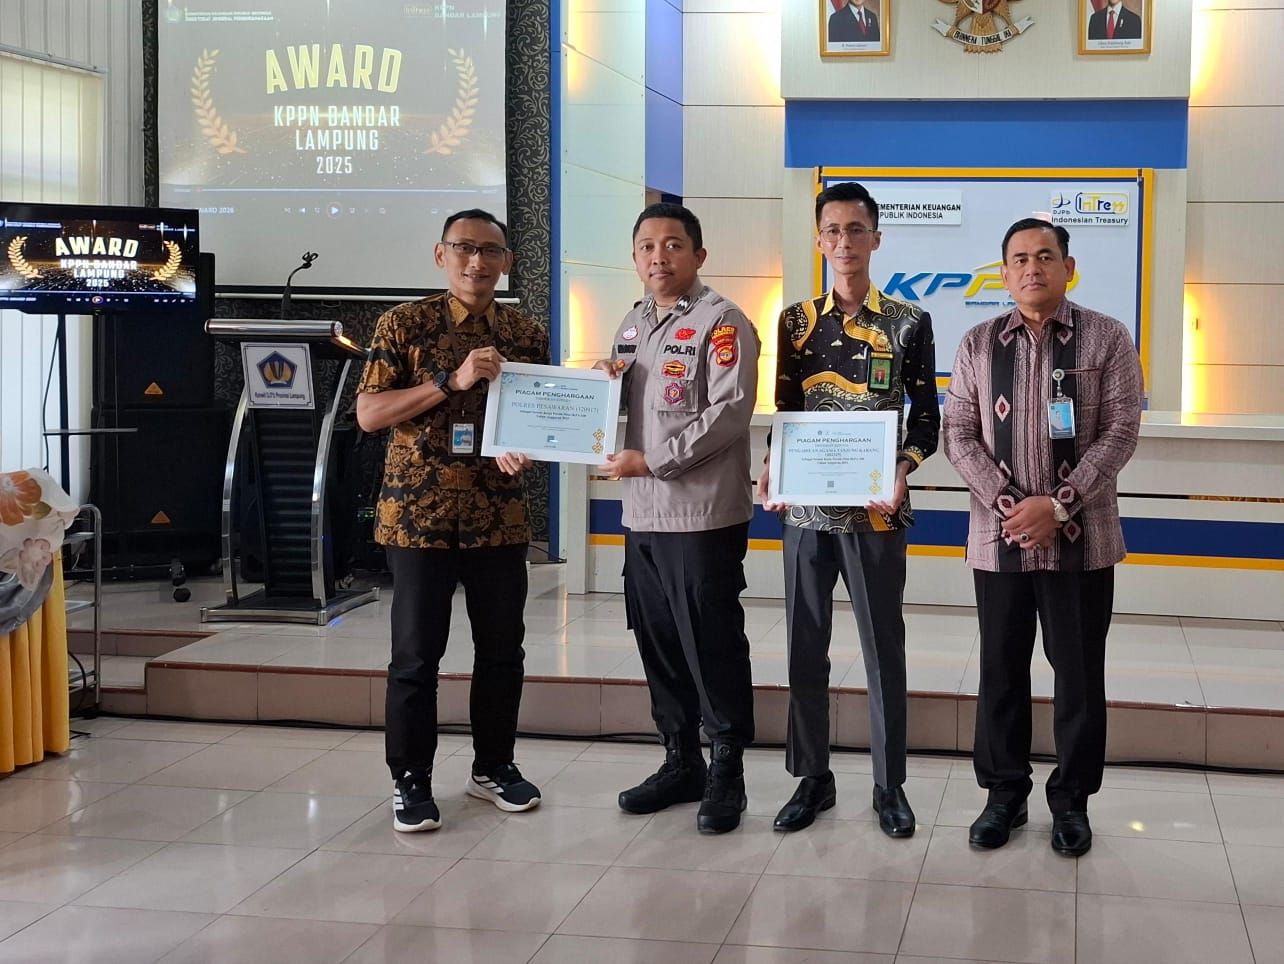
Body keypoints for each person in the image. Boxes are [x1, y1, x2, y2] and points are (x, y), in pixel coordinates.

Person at [944, 217, 1142, 857]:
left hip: (1083, 541)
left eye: (1045, 256)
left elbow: (1120, 431)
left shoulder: (1107, 337)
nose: (1033, 268)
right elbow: (958, 434)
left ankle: (1072, 801)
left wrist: (1056, 506)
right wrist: (1013, 508)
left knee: (1078, 676)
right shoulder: (978, 343)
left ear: (1068, 267)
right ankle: (1003, 794)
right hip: (999, 539)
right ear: (1004, 274)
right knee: (1000, 671)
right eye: (1020, 259)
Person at [355, 209, 549, 832]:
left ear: (507, 262)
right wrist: (450, 380)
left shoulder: (525, 333)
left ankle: (493, 767)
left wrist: (529, 444)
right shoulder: (403, 323)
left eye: (490, 251)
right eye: (464, 248)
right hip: (419, 516)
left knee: (502, 651)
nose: (477, 261)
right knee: (416, 656)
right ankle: (410, 779)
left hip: (498, 514)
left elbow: (538, 416)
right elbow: (369, 414)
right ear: (441, 255)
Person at [757, 181, 939, 836]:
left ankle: (890, 785)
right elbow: (785, 411)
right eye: (832, 230)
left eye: (856, 229)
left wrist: (903, 468)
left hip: (876, 514)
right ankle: (813, 778)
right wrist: (771, 467)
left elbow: (927, 421)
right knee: (805, 648)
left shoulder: (909, 322)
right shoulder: (795, 321)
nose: (844, 242)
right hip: (806, 514)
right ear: (819, 240)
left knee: (883, 648)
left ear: (876, 238)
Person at [597, 202, 760, 834]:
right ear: (634, 257)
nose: (658, 256)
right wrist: (600, 387)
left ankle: (727, 768)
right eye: (646, 246)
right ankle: (680, 759)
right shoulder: (632, 323)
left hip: (700, 514)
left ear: (698, 255)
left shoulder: (722, 321)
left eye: (672, 245)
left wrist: (654, 461)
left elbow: (729, 411)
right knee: (658, 637)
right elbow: (626, 407)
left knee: (710, 641)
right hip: (642, 514)